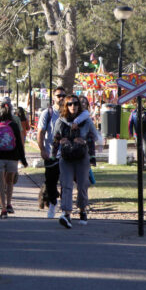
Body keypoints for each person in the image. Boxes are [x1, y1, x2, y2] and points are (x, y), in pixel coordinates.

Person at [53, 94, 102, 228]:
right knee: (66, 184)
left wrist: (85, 140)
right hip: (66, 156)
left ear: (79, 106)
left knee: (82, 185)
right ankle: (66, 213)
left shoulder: (86, 121)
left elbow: (96, 136)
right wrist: (60, 141)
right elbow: (55, 138)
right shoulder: (60, 121)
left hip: (81, 156)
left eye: (75, 104)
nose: (73, 106)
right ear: (65, 106)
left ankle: (82, 210)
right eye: (69, 104)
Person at [0, 100, 27, 219]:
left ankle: (3, 209)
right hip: (12, 157)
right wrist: (23, 159)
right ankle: (9, 203)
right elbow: (19, 143)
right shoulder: (14, 125)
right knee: (9, 182)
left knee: (0, 183)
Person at [36, 86, 67, 218]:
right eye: (59, 95)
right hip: (51, 154)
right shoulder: (47, 113)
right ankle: (53, 204)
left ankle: (66, 208)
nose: (61, 98)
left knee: (66, 182)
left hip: (66, 154)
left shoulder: (68, 113)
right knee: (51, 182)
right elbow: (41, 132)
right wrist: (42, 149)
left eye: (63, 96)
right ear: (53, 97)